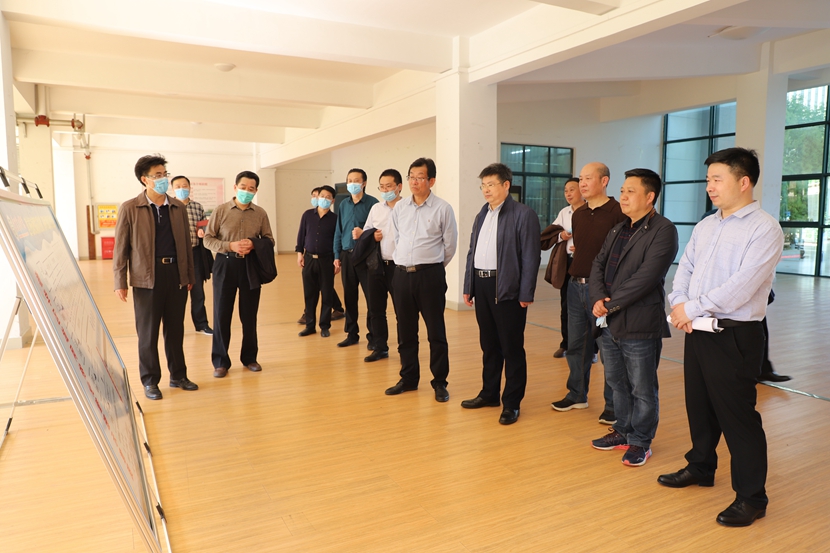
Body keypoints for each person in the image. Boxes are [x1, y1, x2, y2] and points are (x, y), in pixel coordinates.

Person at [662, 147, 783, 527]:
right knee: (699, 406)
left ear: (743, 182)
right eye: (708, 179)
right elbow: (685, 269)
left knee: (738, 417)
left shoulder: (764, 228)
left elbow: (742, 287)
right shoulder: (706, 225)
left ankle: (752, 497)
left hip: (734, 335)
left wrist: (691, 309)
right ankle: (701, 466)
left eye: (717, 179)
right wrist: (679, 303)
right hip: (697, 331)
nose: (709, 186)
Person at [588, 169, 678, 466]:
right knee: (616, 381)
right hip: (610, 321)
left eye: (630, 191)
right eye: (622, 191)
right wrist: (598, 298)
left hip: (639, 322)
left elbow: (646, 278)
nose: (623, 197)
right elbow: (598, 264)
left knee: (642, 387)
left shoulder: (663, 230)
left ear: (650, 197)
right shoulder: (618, 229)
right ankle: (623, 430)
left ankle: (640, 441)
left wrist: (609, 304)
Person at [113, 154, 198, 400]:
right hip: (146, 277)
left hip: (176, 275)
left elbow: (186, 245)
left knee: (175, 329)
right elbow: (121, 248)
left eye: (164, 174)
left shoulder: (178, 208)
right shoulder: (130, 208)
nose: (163, 179)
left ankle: (178, 376)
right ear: (145, 179)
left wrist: (189, 275)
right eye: (157, 175)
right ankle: (150, 381)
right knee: (148, 333)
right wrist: (120, 281)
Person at [461, 163, 540, 425]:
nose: (486, 190)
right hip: (482, 285)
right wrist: (469, 286)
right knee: (489, 345)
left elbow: (530, 257)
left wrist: (526, 292)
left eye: (491, 184)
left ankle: (512, 403)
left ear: (506, 185)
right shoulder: (482, 214)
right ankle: (489, 394)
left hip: (507, 288)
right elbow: (472, 252)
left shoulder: (523, 214)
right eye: (483, 185)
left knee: (511, 347)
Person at [551, 162, 626, 425]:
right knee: (576, 345)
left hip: (603, 291)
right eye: (580, 179)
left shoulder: (618, 212)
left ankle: (613, 406)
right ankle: (577, 395)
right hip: (575, 286)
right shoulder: (579, 214)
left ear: (604, 181)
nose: (582, 184)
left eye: (588, 179)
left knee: (609, 349)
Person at [385, 157, 457, 402]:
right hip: (401, 276)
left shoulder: (443, 208)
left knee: (436, 332)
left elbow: (449, 246)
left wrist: (431, 267)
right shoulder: (400, 208)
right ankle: (408, 379)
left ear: (431, 181)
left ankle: (440, 382)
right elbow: (396, 239)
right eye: (411, 177)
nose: (414, 182)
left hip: (430, 276)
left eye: (420, 177)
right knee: (405, 331)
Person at [203, 171, 275, 378]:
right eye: (243, 187)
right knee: (221, 314)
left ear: (256, 191)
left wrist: (254, 244)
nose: (246, 191)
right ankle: (220, 362)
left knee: (249, 315)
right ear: (235, 187)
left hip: (250, 267)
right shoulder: (221, 210)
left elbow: (269, 240)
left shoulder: (260, 213)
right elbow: (208, 239)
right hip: (224, 265)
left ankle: (250, 358)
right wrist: (230, 246)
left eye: (251, 189)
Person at [353, 169, 404, 362]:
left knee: (402, 311)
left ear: (399, 186)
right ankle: (380, 347)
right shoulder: (376, 209)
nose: (385, 190)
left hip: (399, 268)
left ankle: (404, 349)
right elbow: (365, 232)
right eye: (382, 187)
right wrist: (372, 235)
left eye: (389, 186)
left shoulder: (408, 207)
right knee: (376, 310)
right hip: (376, 265)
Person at [333, 169, 379, 348]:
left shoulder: (373, 204)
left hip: (366, 256)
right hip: (347, 255)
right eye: (349, 180)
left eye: (356, 180)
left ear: (364, 183)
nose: (352, 183)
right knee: (349, 296)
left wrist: (364, 233)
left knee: (371, 297)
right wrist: (336, 255)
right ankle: (352, 334)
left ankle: (373, 336)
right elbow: (339, 231)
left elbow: (378, 230)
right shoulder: (343, 205)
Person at [170, 175, 213, 336]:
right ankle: (175, 327)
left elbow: (204, 225)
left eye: (184, 186)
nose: (182, 189)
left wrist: (203, 231)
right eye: (178, 186)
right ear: (173, 189)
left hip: (195, 253)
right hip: (175, 255)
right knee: (176, 293)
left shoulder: (197, 207)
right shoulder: (168, 206)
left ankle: (201, 324)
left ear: (189, 187)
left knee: (198, 292)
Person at [298, 188, 345, 325]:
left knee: (327, 293)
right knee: (309, 293)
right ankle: (309, 324)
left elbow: (338, 240)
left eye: (328, 197)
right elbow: (301, 235)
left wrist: (337, 260)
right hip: (309, 258)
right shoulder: (307, 215)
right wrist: (299, 253)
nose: (324, 198)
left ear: (333, 201)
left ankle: (325, 325)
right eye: (322, 195)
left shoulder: (335, 219)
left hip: (327, 259)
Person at [550, 177, 584, 358]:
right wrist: (561, 236)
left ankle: (591, 349)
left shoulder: (591, 211)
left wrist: (584, 247)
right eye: (566, 191)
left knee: (587, 307)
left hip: (585, 263)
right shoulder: (565, 212)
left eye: (572, 189)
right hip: (568, 263)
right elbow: (552, 234)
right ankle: (566, 344)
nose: (568, 194)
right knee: (566, 305)